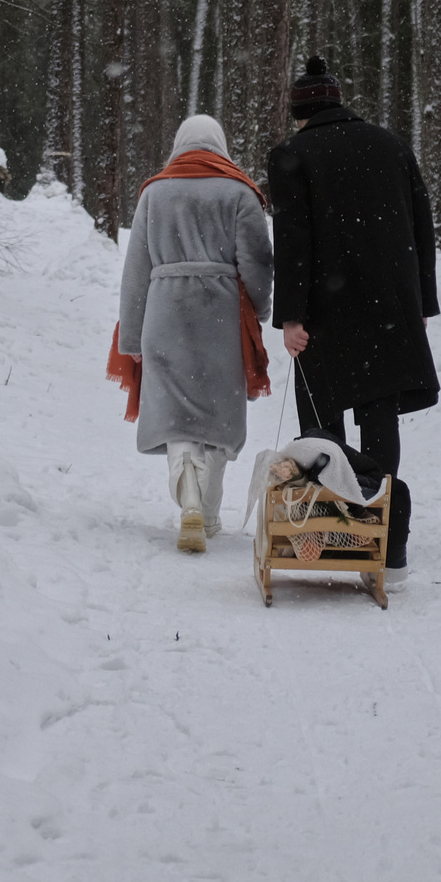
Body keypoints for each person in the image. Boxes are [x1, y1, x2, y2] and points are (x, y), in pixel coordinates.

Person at [265, 57, 437, 572]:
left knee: (321, 425)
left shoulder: (292, 155)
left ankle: (332, 530)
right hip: (389, 306)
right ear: (338, 101)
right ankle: (387, 531)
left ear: (300, 112)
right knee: (380, 415)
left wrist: (291, 317)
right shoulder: (391, 145)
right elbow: (421, 226)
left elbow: (293, 241)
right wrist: (421, 304)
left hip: (325, 312)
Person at [109, 114, 275, 553]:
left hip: (164, 312)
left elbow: (136, 269)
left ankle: (189, 502)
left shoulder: (155, 192)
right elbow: (258, 263)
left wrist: (132, 338)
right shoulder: (240, 192)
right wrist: (259, 310)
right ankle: (210, 511)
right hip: (221, 314)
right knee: (217, 415)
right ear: (220, 144)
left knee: (176, 412)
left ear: (179, 144)